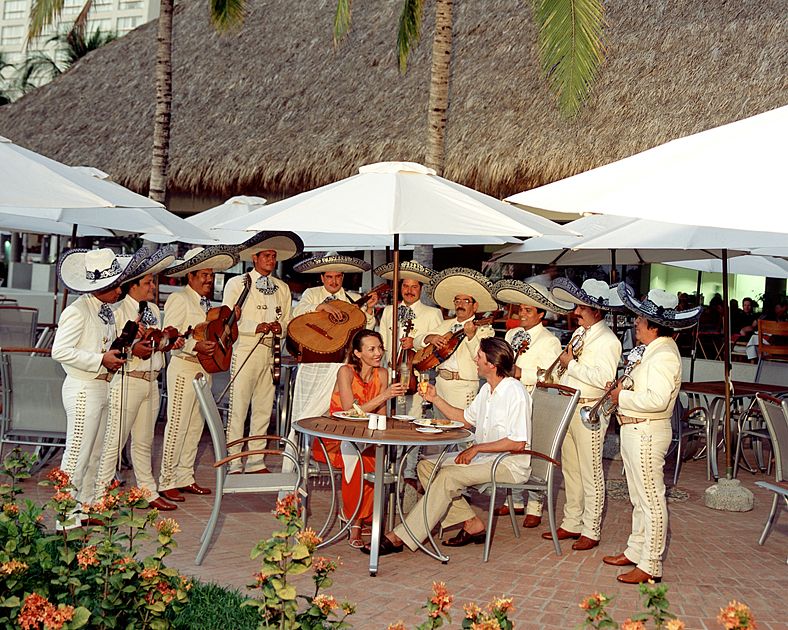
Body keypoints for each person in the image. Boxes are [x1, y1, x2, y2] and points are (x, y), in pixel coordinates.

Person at [362, 337, 532, 556]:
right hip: (486, 459)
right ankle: (471, 523)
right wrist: (435, 398)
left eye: (479, 356)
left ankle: (400, 536)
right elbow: (465, 420)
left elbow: (517, 443)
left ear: (492, 364)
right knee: (425, 466)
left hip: (509, 464)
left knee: (448, 476)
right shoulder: (486, 391)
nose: (475, 359)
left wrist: (476, 449)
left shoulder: (515, 392)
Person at [603, 284, 702, 584]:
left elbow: (657, 400)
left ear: (654, 326)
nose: (636, 323)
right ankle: (636, 550)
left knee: (651, 500)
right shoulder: (653, 351)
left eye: (640, 319)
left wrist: (622, 397)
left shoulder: (663, 356)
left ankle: (651, 563)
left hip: (647, 431)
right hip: (636, 429)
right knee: (638, 496)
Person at [52, 247, 147, 527]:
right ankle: (65, 517)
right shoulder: (77, 311)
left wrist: (125, 340)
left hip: (102, 386)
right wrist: (98, 359)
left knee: (94, 453)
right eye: (115, 286)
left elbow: (104, 345)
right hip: (83, 387)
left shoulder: (104, 311)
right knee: (78, 453)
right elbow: (59, 350)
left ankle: (86, 507)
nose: (120, 291)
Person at [94, 247, 181, 511]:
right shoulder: (118, 310)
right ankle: (99, 495)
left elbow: (157, 341)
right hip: (127, 379)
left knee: (144, 441)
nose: (152, 286)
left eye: (152, 281)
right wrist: (133, 349)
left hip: (151, 380)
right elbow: (111, 346)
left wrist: (167, 342)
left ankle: (147, 490)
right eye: (147, 282)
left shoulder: (153, 308)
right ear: (133, 286)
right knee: (115, 441)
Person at [543, 278, 623, 551]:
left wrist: (571, 364)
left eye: (582, 308)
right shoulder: (580, 334)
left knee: (591, 472)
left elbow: (602, 379)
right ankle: (572, 521)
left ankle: (592, 527)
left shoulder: (609, 341)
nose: (576, 312)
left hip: (590, 409)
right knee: (571, 469)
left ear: (597, 312)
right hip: (569, 404)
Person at [158, 246, 239, 503]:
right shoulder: (179, 299)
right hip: (183, 368)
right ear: (190, 276)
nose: (208, 279)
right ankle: (166, 480)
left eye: (211, 275)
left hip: (205, 370)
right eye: (203, 274)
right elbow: (171, 337)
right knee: (177, 425)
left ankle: (184, 476)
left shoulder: (209, 306)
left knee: (195, 426)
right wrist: (195, 346)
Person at [492, 279, 571, 527]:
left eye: (528, 310)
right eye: (520, 309)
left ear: (540, 313)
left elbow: (550, 375)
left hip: (531, 399)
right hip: (508, 398)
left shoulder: (549, 341)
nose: (522, 314)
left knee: (534, 449)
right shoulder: (512, 333)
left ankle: (535, 505)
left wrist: (520, 372)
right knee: (509, 446)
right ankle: (513, 499)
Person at [318, 330, 406, 548]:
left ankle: (360, 516)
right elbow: (349, 412)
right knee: (359, 461)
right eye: (372, 349)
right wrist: (384, 395)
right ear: (357, 353)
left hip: (368, 435)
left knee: (375, 459)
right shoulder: (345, 372)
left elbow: (382, 415)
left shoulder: (382, 374)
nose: (378, 353)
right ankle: (355, 521)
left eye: (380, 348)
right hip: (339, 435)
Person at [223, 232, 301, 474]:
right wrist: (254, 327)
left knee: (264, 407)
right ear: (254, 257)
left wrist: (281, 328)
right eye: (266, 255)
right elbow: (227, 321)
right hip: (246, 347)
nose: (270, 260)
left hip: (271, 350)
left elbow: (288, 319)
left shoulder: (282, 288)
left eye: (273, 256)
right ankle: (234, 460)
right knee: (238, 408)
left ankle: (256, 460)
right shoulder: (237, 283)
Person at [375, 261, 443, 488]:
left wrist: (416, 344)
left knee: (414, 421)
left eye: (414, 286)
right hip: (393, 373)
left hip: (417, 376)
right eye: (406, 286)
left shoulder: (433, 313)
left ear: (421, 289)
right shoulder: (388, 311)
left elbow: (437, 348)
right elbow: (382, 344)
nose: (410, 290)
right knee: (391, 419)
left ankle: (410, 470)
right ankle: (390, 465)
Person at [414, 268, 496, 412]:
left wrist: (471, 337)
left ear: (475, 306)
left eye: (466, 301)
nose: (460, 304)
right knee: (438, 428)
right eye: (457, 300)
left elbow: (482, 357)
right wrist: (430, 338)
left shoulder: (484, 330)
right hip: (440, 384)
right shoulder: (445, 324)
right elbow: (416, 341)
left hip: (463, 386)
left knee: (460, 428)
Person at [292, 253, 377, 329]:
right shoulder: (312, 293)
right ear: (322, 278)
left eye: (338, 276)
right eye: (329, 277)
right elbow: (297, 312)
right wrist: (320, 307)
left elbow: (366, 330)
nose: (334, 282)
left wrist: (369, 308)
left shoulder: (355, 298)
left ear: (342, 278)